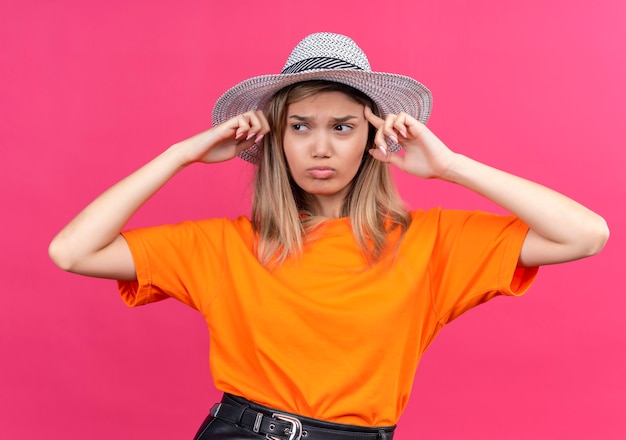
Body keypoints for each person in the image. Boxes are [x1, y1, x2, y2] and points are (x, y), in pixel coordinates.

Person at [48, 32, 609, 440]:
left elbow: (584, 234)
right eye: (300, 126)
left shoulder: (431, 243)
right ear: (276, 139)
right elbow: (73, 251)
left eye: (342, 126)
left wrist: (452, 166)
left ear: (375, 135)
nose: (321, 147)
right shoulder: (223, 246)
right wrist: (180, 156)